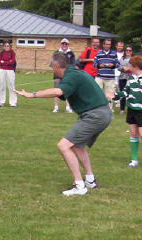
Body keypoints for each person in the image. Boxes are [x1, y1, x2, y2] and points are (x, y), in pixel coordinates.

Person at [16, 52, 112, 195]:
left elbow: (57, 91)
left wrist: (32, 94)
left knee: (63, 145)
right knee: (78, 146)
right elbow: (63, 94)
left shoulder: (71, 76)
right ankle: (90, 180)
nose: (51, 69)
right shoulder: (73, 73)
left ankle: (79, 186)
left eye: (51, 66)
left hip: (95, 115)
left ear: (56, 65)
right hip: (100, 113)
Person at [109, 55, 142, 169]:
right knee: (133, 134)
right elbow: (127, 92)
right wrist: (115, 96)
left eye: (129, 65)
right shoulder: (132, 78)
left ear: (135, 66)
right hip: (132, 109)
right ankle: (134, 160)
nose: (128, 67)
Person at [93, 39, 119, 110]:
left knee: (109, 94)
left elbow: (117, 64)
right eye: (107, 44)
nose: (108, 46)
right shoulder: (99, 53)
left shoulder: (114, 54)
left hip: (110, 77)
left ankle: (108, 109)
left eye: (109, 44)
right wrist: (99, 65)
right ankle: (96, 108)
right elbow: (94, 64)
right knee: (96, 92)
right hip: (100, 76)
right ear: (103, 45)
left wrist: (113, 65)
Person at [52, 38, 75, 113]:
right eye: (63, 44)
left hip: (67, 75)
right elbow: (54, 64)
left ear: (68, 45)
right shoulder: (56, 53)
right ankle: (56, 107)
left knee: (67, 91)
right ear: (61, 44)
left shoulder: (71, 53)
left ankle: (68, 107)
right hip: (57, 75)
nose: (64, 45)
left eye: (66, 44)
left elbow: (72, 65)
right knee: (56, 90)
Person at [0, 42, 17, 107]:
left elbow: (12, 62)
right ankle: (1, 101)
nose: (6, 47)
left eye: (7, 46)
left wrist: (4, 62)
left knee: (11, 86)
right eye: (5, 46)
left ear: (10, 46)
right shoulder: (1, 53)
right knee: (1, 86)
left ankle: (13, 102)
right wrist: (7, 62)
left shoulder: (12, 53)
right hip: (2, 70)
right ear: (3, 47)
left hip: (10, 70)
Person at [117, 45, 133, 114]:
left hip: (131, 78)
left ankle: (131, 108)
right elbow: (118, 67)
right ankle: (122, 109)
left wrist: (129, 69)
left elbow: (135, 67)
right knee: (122, 93)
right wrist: (123, 68)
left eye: (130, 50)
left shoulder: (133, 59)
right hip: (122, 77)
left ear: (132, 52)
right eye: (127, 50)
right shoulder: (122, 59)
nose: (128, 52)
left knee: (131, 94)